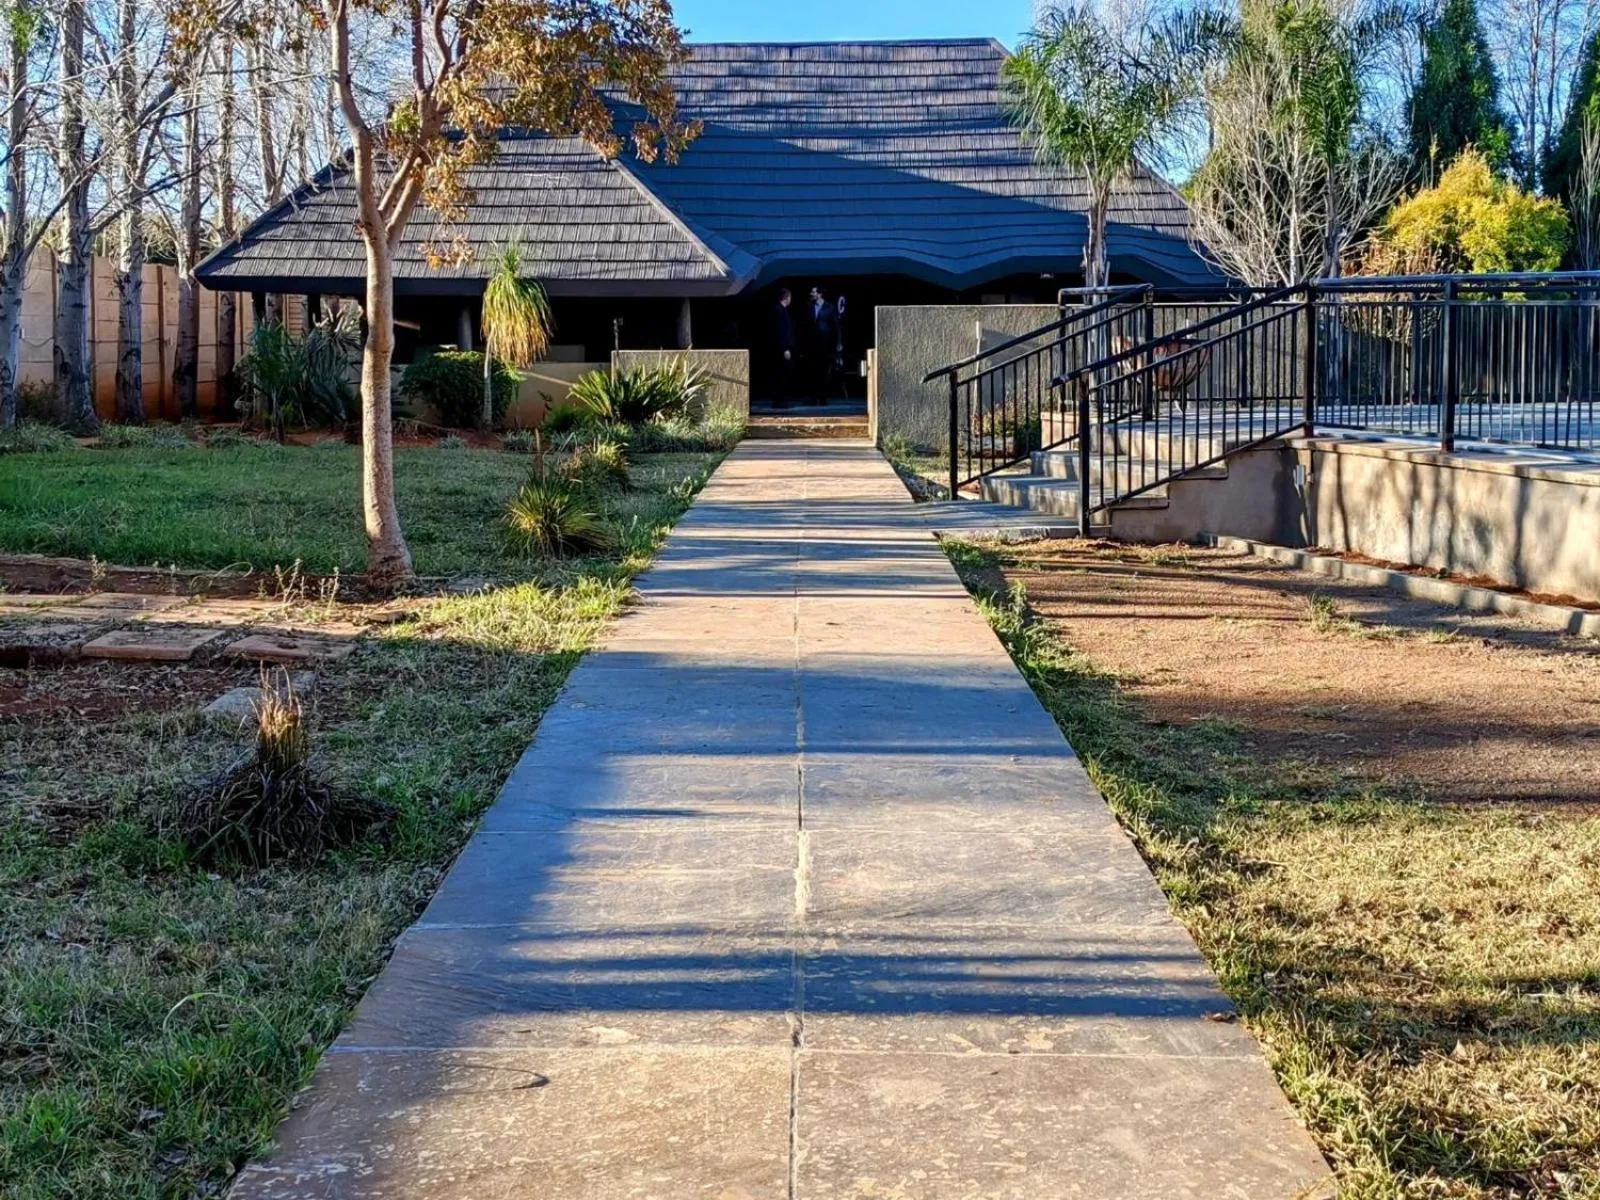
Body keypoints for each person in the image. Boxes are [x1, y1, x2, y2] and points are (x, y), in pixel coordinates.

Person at [806, 285, 837, 397]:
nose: (811, 294)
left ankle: (823, 395)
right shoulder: (809, 306)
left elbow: (836, 326)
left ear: (820, 294)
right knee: (813, 369)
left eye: (813, 292)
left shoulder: (830, 307)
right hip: (812, 343)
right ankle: (813, 395)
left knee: (824, 369)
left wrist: (838, 342)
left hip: (825, 343)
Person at [771, 288, 797, 406]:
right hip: (782, 348)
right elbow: (780, 331)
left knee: (783, 374)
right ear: (787, 298)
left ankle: (781, 399)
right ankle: (779, 400)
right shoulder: (778, 311)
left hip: (783, 347)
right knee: (782, 374)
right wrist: (785, 348)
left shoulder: (781, 310)